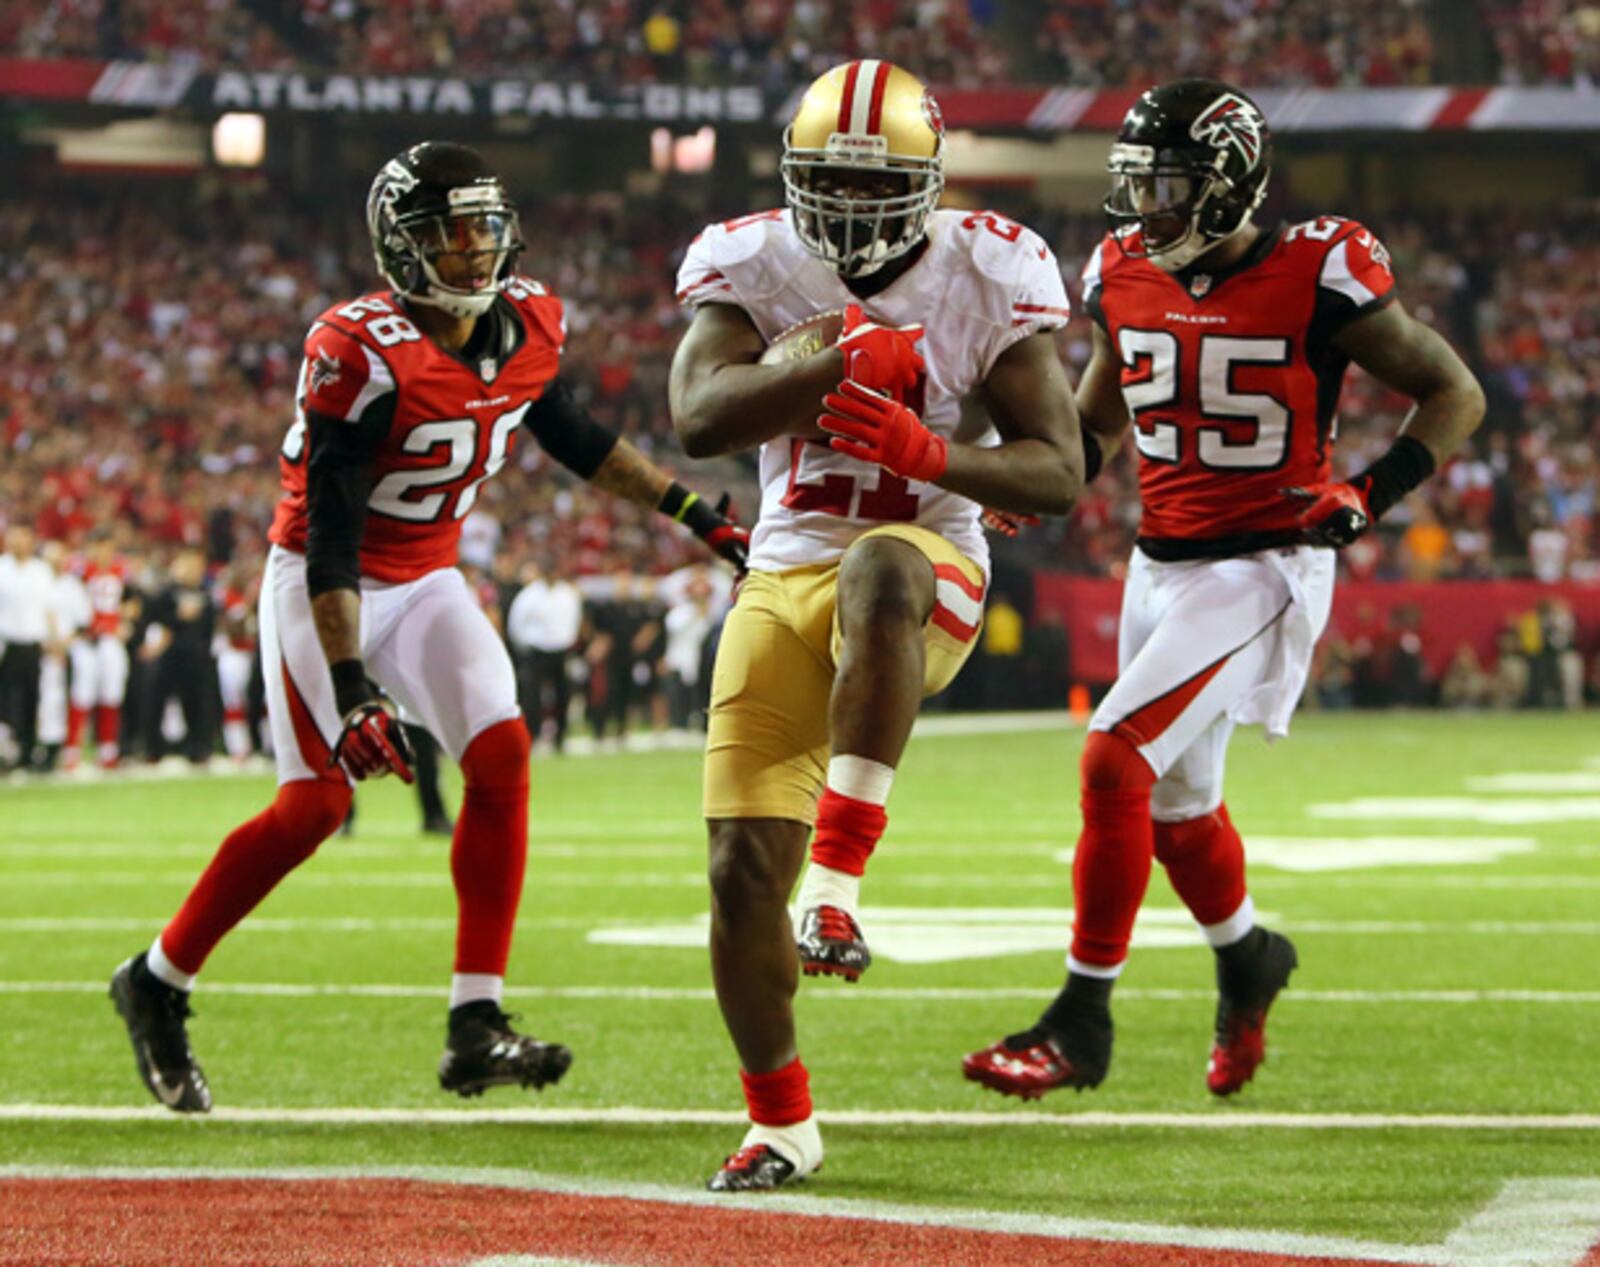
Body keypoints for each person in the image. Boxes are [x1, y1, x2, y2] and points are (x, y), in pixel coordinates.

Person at [109, 140, 747, 1114]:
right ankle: (156, 977)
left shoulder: (529, 319)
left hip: (427, 574)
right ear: (399, 249)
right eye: (449, 236)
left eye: (483, 228)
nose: (473, 251)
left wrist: (693, 514)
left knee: (502, 751)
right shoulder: (357, 349)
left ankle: (474, 1022)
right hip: (328, 581)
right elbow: (328, 532)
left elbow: (571, 435)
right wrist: (353, 678)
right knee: (314, 809)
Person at [963, 79, 1485, 1102]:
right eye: (1136, 185)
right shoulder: (1121, 269)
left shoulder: (1318, 270)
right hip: (1159, 563)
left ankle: (1079, 1020)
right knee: (1177, 813)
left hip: (1264, 563)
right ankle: (1247, 955)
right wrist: (1052, 476)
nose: (1142, 208)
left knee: (1114, 757)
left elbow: (1451, 389)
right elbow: (1101, 417)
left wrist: (1374, 490)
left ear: (1229, 182)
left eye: (1163, 184)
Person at [669, 60, 1086, 1189]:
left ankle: (842, 885)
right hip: (782, 568)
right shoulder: (753, 257)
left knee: (880, 567)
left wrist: (927, 452)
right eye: (829, 185)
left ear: (930, 182)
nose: (849, 211)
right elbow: (699, 415)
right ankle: (781, 1123)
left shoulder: (988, 266)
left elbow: (1060, 470)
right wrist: (824, 362)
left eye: (876, 186)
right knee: (737, 870)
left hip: (926, 568)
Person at [506, 558, 583, 752]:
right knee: (533, 696)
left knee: (563, 694)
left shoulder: (567, 594)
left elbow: (574, 619)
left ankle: (561, 736)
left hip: (560, 649)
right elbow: (516, 624)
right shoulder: (529, 595)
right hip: (536, 651)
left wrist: (568, 640)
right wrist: (525, 647)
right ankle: (534, 735)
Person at [0, 524, 56, 771]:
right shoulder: (2, 568)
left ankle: (28, 749)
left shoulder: (41, 571)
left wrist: (54, 639)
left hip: (34, 644)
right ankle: (8, 750)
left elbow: (49, 609)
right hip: (7, 643)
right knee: (6, 701)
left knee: (32, 698)